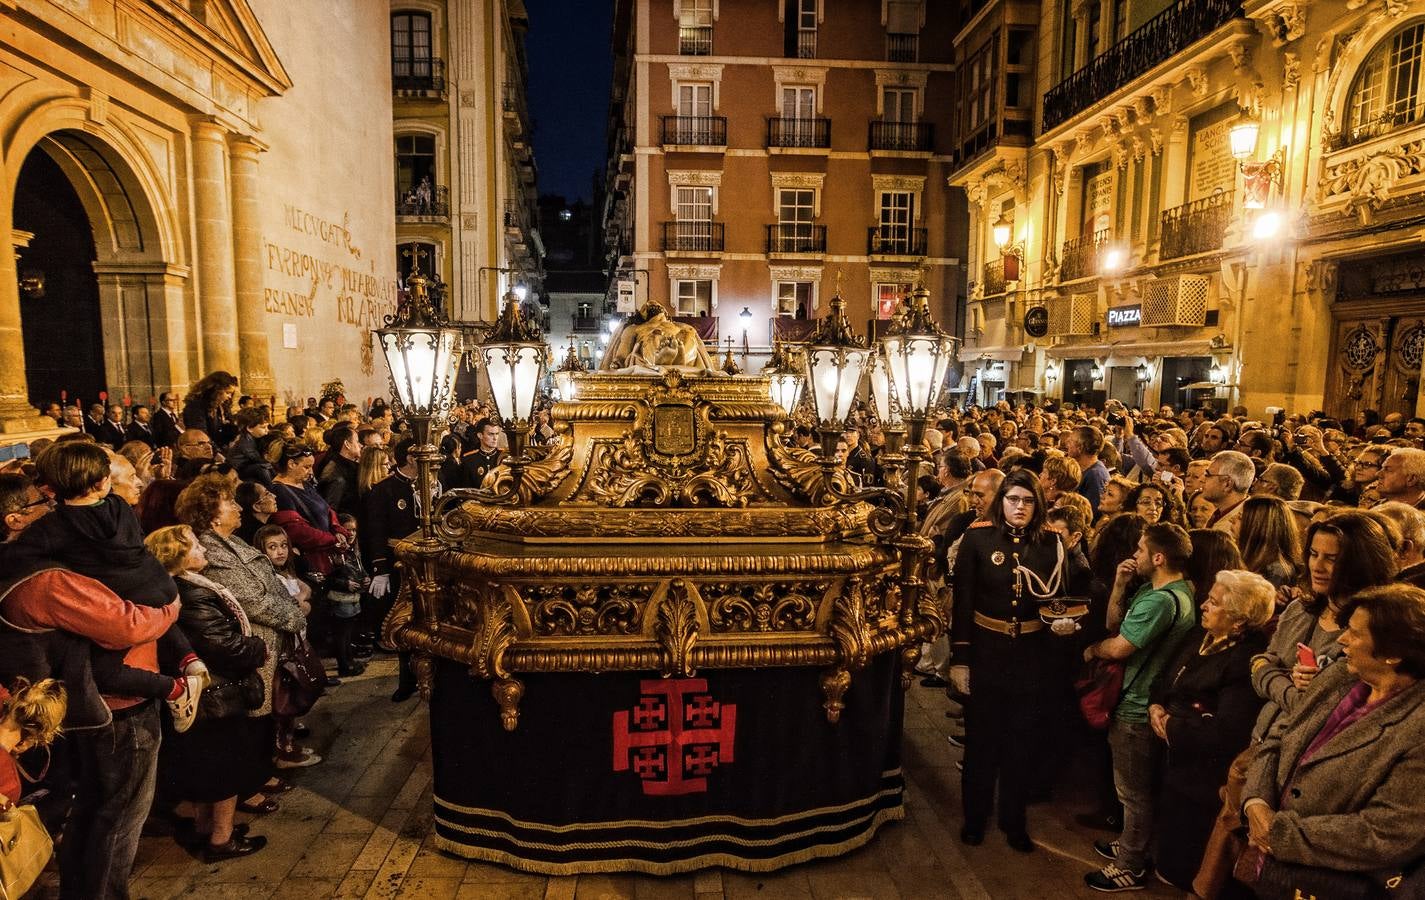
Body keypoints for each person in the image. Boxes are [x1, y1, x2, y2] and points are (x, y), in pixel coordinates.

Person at [1192, 509, 1400, 898]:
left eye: (1332, 558)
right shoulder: (1300, 611)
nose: (1318, 566)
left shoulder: (1371, 633)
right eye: (1314, 554)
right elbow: (1262, 664)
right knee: (1232, 856)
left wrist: (1293, 690)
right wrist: (1292, 692)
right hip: (1263, 746)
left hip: (1307, 773)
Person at [13, 442, 207, 730]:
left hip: (128, 597)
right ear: (104, 483)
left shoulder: (55, 526)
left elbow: (18, 554)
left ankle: (176, 690)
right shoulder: (120, 508)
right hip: (157, 583)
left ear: (51, 489)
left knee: (103, 672)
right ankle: (189, 659)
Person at [1240, 584, 1425, 879]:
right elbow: (1281, 732)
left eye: (1355, 633)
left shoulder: (1417, 727)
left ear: (1393, 653)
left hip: (1327, 881)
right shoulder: (1339, 676)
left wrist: (1280, 834)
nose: (1342, 640)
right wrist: (1256, 802)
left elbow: (1386, 832)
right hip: (1267, 864)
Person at [950, 469, 1074, 853]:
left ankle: (1013, 819)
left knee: (1022, 744)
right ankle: (974, 818)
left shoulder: (1051, 543)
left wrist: (1061, 627)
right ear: (1001, 500)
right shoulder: (977, 538)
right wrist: (960, 660)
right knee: (982, 743)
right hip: (987, 651)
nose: (1019, 507)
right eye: (1013, 499)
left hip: (1031, 658)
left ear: (1037, 505)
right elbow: (963, 604)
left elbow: (1059, 599)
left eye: (1027, 501)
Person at [143, 525, 270, 862]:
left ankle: (203, 827)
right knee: (225, 766)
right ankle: (221, 838)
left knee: (204, 764)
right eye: (196, 545)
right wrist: (257, 647)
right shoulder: (192, 594)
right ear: (177, 555)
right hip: (216, 693)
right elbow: (221, 645)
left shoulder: (172, 589)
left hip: (199, 693)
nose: (203, 549)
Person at [1082, 523, 1196, 892]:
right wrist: (1119, 584)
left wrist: (1093, 650)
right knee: (1132, 790)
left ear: (1159, 557)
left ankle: (1130, 863)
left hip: (1136, 704)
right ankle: (1131, 841)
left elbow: (1118, 645)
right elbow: (1115, 622)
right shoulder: (1165, 590)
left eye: (1141, 550)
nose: (1135, 555)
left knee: (1133, 792)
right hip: (1143, 700)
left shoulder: (1160, 601)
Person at [1150, 570, 1275, 891]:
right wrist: (1155, 704)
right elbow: (1167, 676)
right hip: (1176, 764)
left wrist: (1173, 727)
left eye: (1214, 602)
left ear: (1239, 620)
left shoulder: (1243, 660)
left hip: (1202, 780)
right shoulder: (1201, 636)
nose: (1203, 606)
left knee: (1190, 861)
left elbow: (1227, 731)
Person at [361, 437, 422, 702]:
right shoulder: (384, 490)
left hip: (429, 563)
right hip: (400, 564)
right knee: (404, 620)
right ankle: (407, 679)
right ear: (410, 457)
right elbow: (375, 531)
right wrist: (380, 569)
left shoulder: (431, 483)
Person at [1236, 496, 1301, 590]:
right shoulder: (1244, 555)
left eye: (1240, 517)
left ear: (1259, 526)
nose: (1232, 519)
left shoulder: (1276, 572)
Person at [316, 423, 362, 519]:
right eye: (357, 442)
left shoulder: (347, 466)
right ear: (347, 444)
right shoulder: (336, 475)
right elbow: (331, 510)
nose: (360, 445)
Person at [181, 371, 238, 448]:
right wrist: (216, 452)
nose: (230, 397)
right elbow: (201, 435)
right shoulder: (196, 407)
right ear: (216, 390)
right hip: (204, 449)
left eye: (231, 394)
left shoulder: (221, 405)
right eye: (227, 393)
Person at [1203, 450, 1254, 533]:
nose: (1203, 479)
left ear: (1227, 484)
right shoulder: (1223, 512)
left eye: (1207, 475)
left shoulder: (1236, 528)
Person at [1066, 425, 1110, 516]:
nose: (1067, 442)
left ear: (1080, 447)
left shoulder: (1095, 475)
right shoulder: (1084, 470)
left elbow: (1092, 514)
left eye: (1071, 441)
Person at [226, 406, 274, 485]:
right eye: (263, 427)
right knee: (262, 468)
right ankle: (272, 486)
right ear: (249, 428)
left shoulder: (254, 438)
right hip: (239, 469)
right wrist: (268, 461)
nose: (267, 431)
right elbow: (255, 457)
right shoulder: (245, 441)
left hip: (247, 465)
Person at [457, 418, 504, 491]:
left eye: (497, 434)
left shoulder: (504, 457)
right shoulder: (469, 460)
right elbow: (466, 490)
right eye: (490, 434)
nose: (495, 438)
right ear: (480, 435)